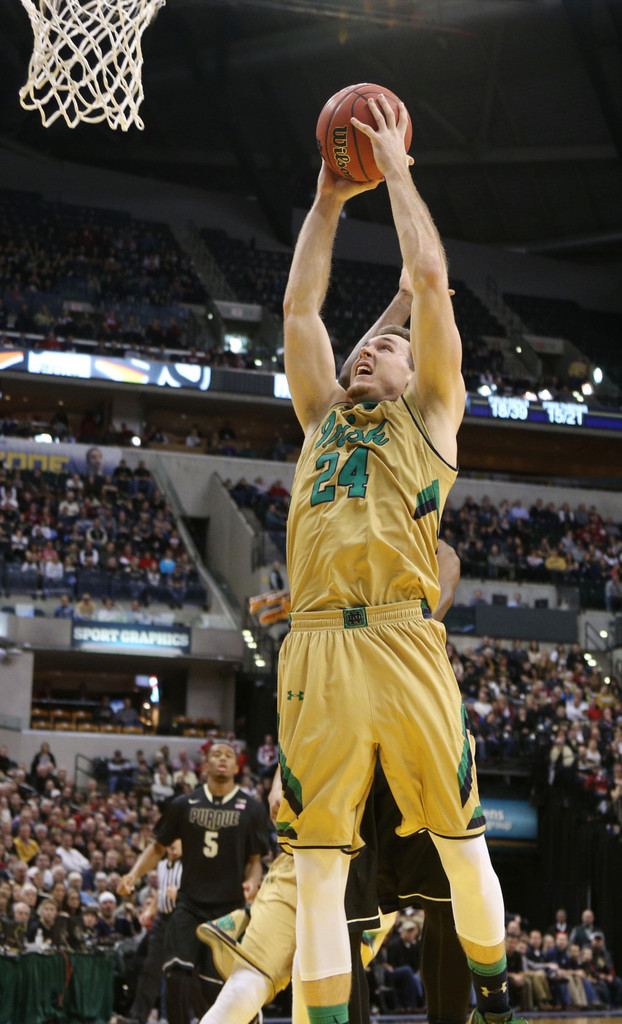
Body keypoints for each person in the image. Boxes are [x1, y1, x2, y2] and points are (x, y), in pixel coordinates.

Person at [278, 93, 521, 1024]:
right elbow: (301, 305)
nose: (370, 348)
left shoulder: (433, 418)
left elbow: (427, 276)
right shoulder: (319, 418)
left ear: (414, 370)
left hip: (403, 639)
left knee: (463, 845)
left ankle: (495, 1002)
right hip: (316, 646)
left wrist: (399, 175)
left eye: (388, 344)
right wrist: (327, 198)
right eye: (365, 344)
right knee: (316, 869)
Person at [195, 542, 472, 1024]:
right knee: (280, 969)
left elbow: (445, 563)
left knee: (445, 895)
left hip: (399, 773)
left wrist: (405, 618)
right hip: (330, 796)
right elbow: (306, 720)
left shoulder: (403, 530)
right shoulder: (323, 596)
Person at [118, 741, 270, 1024]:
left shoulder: (252, 809)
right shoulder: (183, 805)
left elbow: (254, 860)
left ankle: (248, 1018)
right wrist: (133, 874)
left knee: (213, 985)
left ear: (236, 766)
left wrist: (252, 881)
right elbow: (158, 847)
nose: (222, 759)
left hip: (228, 909)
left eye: (228, 755)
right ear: (205, 765)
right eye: (216, 755)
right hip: (189, 903)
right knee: (176, 973)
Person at [117, 840, 183, 1024]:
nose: (173, 849)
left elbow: (197, 892)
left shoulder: (190, 866)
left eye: (177, 845)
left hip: (182, 920)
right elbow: (162, 892)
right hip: (162, 920)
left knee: (183, 973)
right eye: (171, 845)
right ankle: (137, 1017)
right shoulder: (161, 865)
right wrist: (150, 910)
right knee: (150, 969)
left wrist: (179, 895)